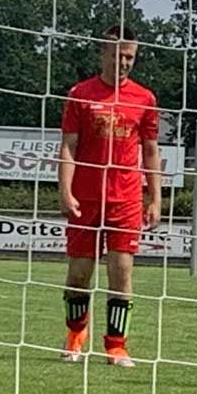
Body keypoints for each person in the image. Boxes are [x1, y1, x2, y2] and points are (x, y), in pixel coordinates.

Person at [58, 24, 161, 367]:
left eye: (130, 56)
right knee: (80, 273)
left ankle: (116, 346)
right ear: (102, 53)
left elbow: (150, 150)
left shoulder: (144, 98)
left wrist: (155, 197)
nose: (124, 62)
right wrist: (65, 189)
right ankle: (75, 335)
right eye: (117, 55)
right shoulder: (80, 94)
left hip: (126, 198)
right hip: (86, 198)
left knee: (122, 272)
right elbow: (69, 145)